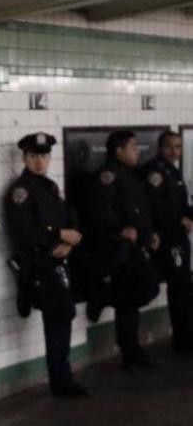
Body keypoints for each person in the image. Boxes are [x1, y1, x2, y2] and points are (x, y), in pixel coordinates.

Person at [3, 132, 89, 397]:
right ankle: (61, 380)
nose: (39, 161)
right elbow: (23, 233)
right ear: (24, 158)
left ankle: (62, 378)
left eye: (44, 156)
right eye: (33, 156)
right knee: (60, 316)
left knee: (62, 316)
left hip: (57, 263)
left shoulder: (49, 187)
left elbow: (68, 218)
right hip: (39, 266)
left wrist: (69, 241)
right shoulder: (21, 192)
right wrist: (59, 236)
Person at [86, 129, 160, 368]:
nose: (138, 152)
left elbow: (137, 210)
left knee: (133, 297)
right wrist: (119, 230)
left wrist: (148, 235)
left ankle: (130, 349)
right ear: (118, 151)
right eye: (133, 147)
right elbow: (100, 210)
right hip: (118, 248)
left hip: (134, 246)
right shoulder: (109, 175)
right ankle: (130, 350)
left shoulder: (127, 174)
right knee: (138, 292)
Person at [141, 129, 193, 352]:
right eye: (169, 147)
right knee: (179, 287)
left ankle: (185, 335)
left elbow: (180, 204)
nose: (174, 151)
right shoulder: (155, 173)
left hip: (179, 237)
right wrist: (179, 220)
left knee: (184, 287)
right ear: (160, 148)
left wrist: (189, 215)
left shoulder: (173, 171)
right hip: (168, 238)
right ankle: (183, 340)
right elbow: (156, 207)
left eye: (178, 147)